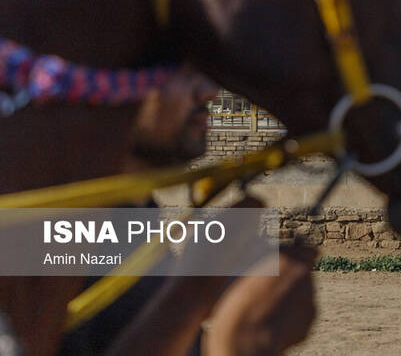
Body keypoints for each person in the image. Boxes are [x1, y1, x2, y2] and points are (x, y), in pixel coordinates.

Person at [59, 66, 317, 356]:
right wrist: (227, 334)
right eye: (174, 68)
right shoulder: (49, 235)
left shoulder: (133, 216)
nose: (209, 92)